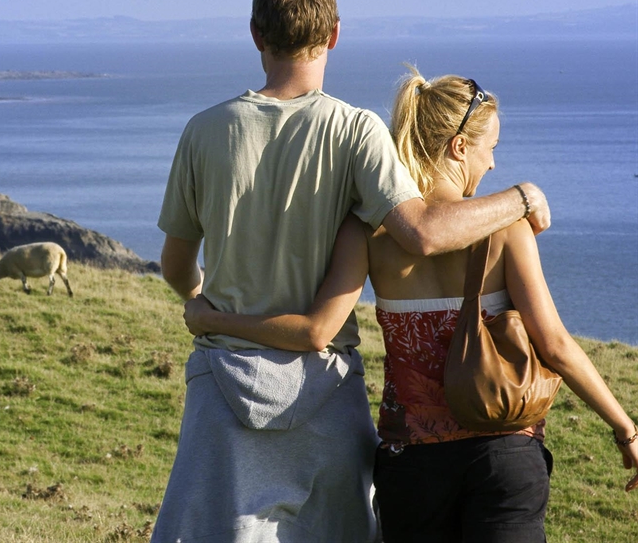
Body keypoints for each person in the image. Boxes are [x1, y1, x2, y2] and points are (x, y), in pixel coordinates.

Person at [153, 0, 551, 543]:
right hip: (325, 396)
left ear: (255, 34)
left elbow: (175, 264)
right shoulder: (357, 131)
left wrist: (202, 304)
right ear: (335, 34)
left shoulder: (203, 131)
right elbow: (421, 233)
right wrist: (520, 196)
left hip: (223, 387)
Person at [183, 65, 638, 542]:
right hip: (502, 455)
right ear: (460, 147)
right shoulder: (508, 227)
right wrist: (624, 427)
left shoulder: (367, 231)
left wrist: (213, 317)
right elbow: (556, 346)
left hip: (411, 466)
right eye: (491, 150)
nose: (493, 166)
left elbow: (317, 332)